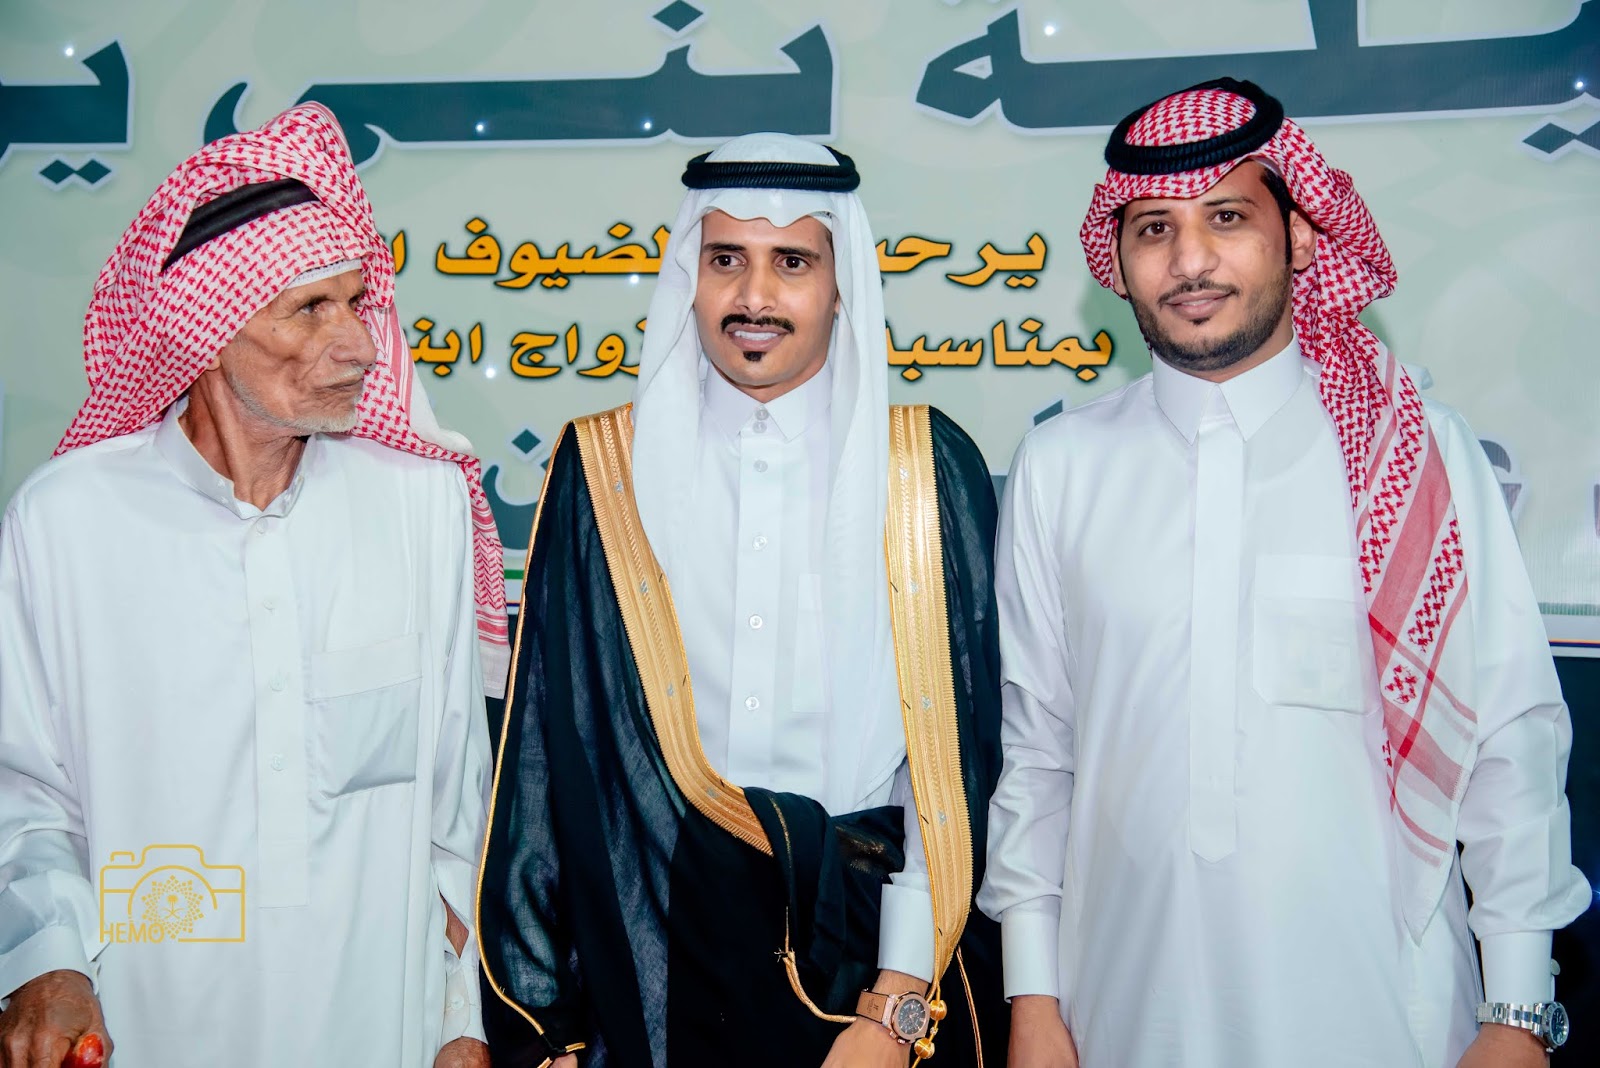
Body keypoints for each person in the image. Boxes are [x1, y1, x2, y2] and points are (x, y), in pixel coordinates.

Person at [979, 78, 1590, 1068]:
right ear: (1118, 260)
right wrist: (1031, 997)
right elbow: (1038, 754)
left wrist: (1517, 1011)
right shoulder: (1060, 468)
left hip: (1385, 1016)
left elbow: (1508, 740)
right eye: (1153, 229)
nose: (1189, 260)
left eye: (1226, 217)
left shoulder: (1414, 455)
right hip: (1118, 1009)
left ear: (1301, 234)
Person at [476, 134, 1007, 1066]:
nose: (754, 296)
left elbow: (958, 765)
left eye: (791, 262)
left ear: (841, 284)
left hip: (868, 970)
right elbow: (545, 759)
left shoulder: (924, 469)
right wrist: (547, 1018)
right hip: (653, 965)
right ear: (690, 275)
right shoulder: (604, 472)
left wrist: (896, 1001)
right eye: (726, 259)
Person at [0, 104, 507, 1068]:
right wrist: (47, 961)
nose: (359, 346)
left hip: (379, 1026)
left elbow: (456, 810)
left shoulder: (418, 505)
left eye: (355, 303)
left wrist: (460, 1021)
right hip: (144, 1022)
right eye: (310, 310)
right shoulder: (65, 522)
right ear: (207, 326)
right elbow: (23, 791)